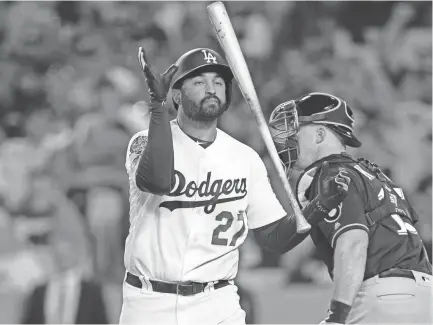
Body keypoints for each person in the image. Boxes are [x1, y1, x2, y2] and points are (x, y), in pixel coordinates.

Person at [120, 47, 351, 325]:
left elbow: (274, 238)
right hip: (149, 301)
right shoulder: (144, 142)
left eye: (218, 82)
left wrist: (318, 206)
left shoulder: (245, 158)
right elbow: (157, 180)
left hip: (217, 302)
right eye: (199, 81)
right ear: (177, 96)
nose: (211, 88)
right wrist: (157, 106)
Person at [268, 92, 432, 324]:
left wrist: (338, 316)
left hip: (383, 297)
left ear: (320, 134)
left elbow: (353, 243)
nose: (290, 139)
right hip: (424, 298)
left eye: (297, 131)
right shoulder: (379, 177)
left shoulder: (332, 175)